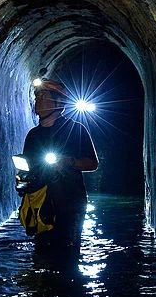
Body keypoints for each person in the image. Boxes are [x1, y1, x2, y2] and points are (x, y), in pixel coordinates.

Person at [20, 77, 98, 251]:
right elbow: (27, 166)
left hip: (69, 203)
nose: (37, 100)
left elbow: (93, 163)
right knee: (42, 251)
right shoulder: (33, 135)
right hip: (41, 202)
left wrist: (68, 161)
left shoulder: (75, 129)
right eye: (36, 96)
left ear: (59, 101)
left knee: (68, 252)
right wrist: (22, 178)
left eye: (43, 95)